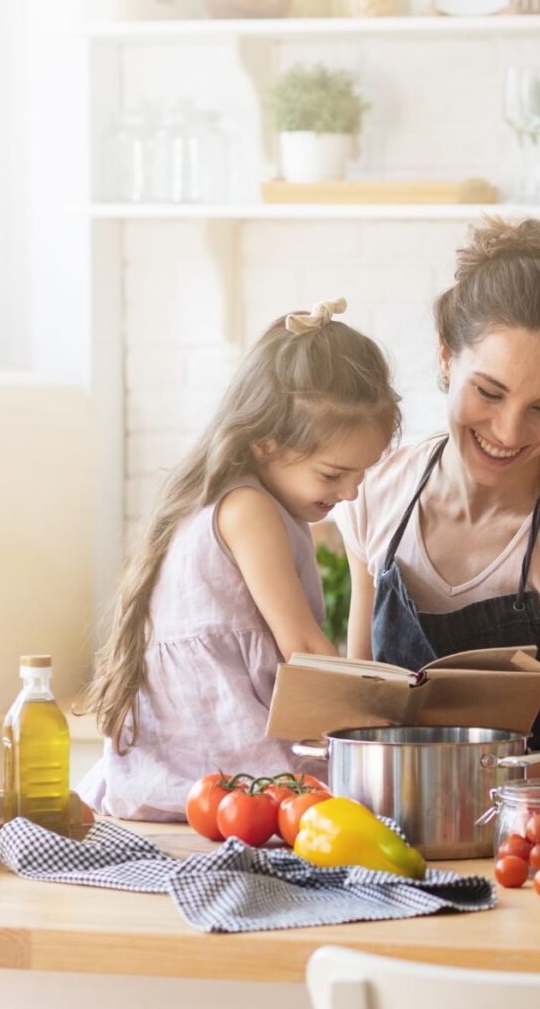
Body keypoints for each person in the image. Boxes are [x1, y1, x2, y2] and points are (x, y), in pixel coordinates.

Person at [337, 218, 540, 781]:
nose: (508, 431)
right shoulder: (374, 493)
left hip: (527, 844)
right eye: (489, 392)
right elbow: (360, 715)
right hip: (384, 834)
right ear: (447, 358)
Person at [77, 300, 400, 820]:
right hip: (226, 763)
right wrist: (374, 722)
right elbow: (302, 647)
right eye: (333, 474)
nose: (351, 493)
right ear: (266, 445)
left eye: (361, 475)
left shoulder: (236, 498)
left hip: (185, 769)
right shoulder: (249, 509)